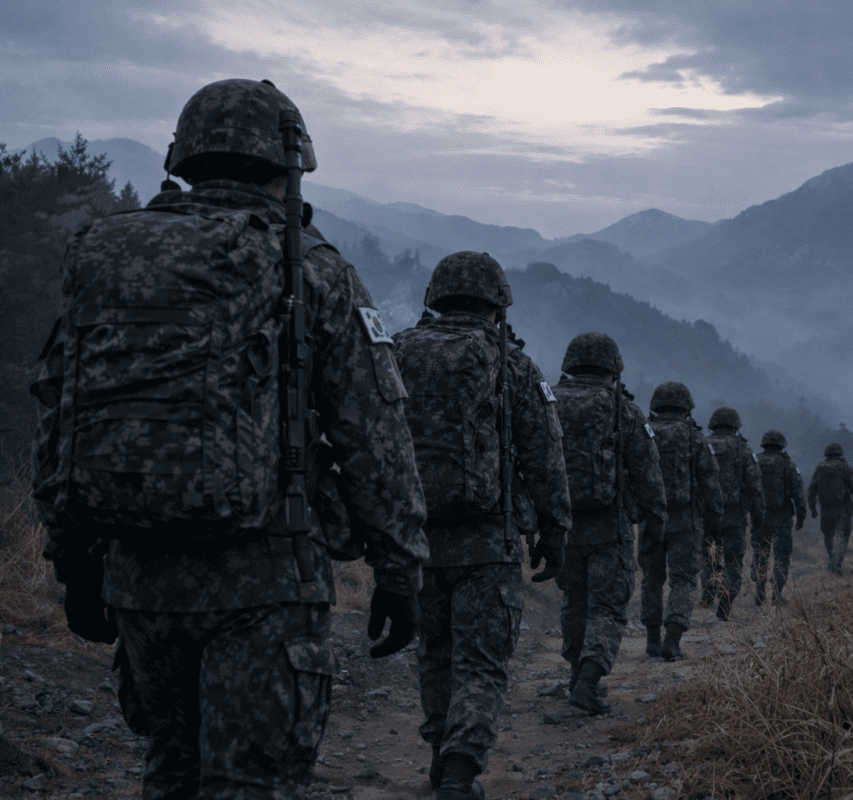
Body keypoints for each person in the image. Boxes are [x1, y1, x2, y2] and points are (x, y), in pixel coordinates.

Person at [31, 78, 429, 800]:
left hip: (139, 579)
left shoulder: (109, 257)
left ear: (186, 158)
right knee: (254, 783)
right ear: (290, 166)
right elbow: (375, 436)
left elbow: (60, 414)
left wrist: (75, 564)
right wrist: (401, 570)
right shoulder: (308, 268)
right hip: (266, 585)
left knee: (172, 771)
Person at [392, 252, 571, 800]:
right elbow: (544, 452)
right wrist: (555, 527)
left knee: (435, 653)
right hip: (487, 543)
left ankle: (436, 755)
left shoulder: (397, 351)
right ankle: (459, 770)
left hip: (418, 538)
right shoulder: (511, 363)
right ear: (498, 304)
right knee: (481, 662)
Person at [553, 333, 666, 713]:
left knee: (575, 602)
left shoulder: (549, 401)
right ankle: (588, 681)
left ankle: (575, 674)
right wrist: (656, 521)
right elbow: (647, 473)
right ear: (613, 368)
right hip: (610, 526)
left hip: (563, 524)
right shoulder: (622, 409)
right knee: (607, 608)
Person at [640, 381, 722, 661]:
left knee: (651, 580)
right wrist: (715, 517)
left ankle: (652, 640)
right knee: (683, 580)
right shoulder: (694, 437)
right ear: (686, 408)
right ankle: (672, 641)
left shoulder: (644, 433)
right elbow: (710, 481)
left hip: (651, 519)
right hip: (686, 520)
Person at [700, 407, 765, 621]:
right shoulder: (743, 449)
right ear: (736, 427)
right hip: (734, 516)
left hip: (706, 514)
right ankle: (725, 605)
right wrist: (757, 516)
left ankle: (707, 595)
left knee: (709, 557)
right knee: (733, 561)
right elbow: (755, 486)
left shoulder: (701, 443)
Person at [751, 430, 806, 605]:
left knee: (760, 554)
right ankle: (777, 594)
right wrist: (801, 514)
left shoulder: (754, 461)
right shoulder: (787, 464)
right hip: (782, 517)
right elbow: (798, 492)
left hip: (760, 518)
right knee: (782, 556)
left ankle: (759, 592)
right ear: (782, 446)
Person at [807, 442, 853, 577]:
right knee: (842, 536)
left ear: (826, 454)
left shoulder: (820, 468)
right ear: (840, 454)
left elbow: (812, 489)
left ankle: (833, 558)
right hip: (843, 509)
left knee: (828, 535)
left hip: (825, 508)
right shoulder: (846, 468)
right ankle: (836, 562)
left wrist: (812, 507)